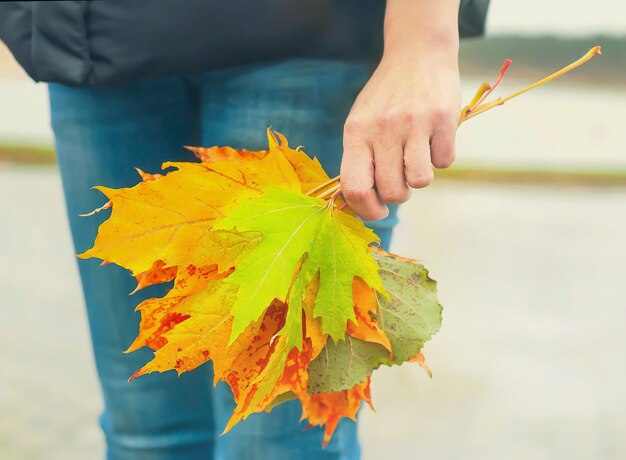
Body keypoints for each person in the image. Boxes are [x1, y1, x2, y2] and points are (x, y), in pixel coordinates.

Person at [0, 1, 488, 458]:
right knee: (146, 433)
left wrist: (423, 40)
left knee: (276, 440)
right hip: (97, 37)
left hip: (307, 30)